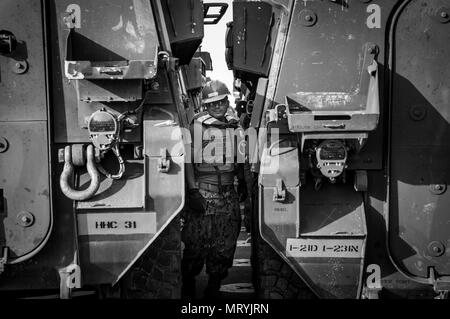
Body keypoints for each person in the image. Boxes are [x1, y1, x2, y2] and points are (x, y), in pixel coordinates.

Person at [181, 80, 247, 299]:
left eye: (221, 102)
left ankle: (214, 285)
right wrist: (192, 190)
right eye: (213, 104)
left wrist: (244, 182)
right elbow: (188, 161)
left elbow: (242, 159)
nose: (218, 107)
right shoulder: (196, 127)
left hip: (228, 194)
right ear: (206, 106)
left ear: (227, 102)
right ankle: (188, 282)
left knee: (225, 245)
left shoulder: (235, 126)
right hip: (203, 192)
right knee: (195, 245)